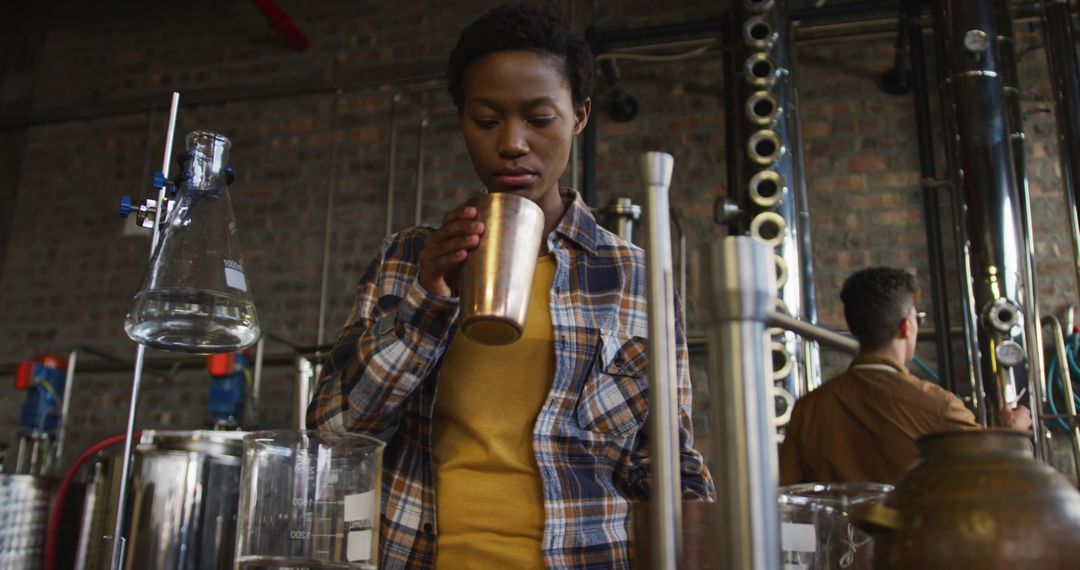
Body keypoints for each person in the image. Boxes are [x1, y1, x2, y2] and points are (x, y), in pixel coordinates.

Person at [307, 5, 713, 569]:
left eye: (540, 119)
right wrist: (430, 298)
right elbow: (333, 431)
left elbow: (666, 462)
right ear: (462, 121)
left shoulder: (634, 276)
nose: (513, 143)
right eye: (487, 119)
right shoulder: (407, 258)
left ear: (580, 117)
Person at [779, 266, 1032, 486]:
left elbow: (788, 498)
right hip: (920, 542)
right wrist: (1014, 433)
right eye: (916, 317)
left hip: (837, 542)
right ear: (906, 327)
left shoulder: (807, 409)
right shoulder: (939, 407)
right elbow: (1001, 480)